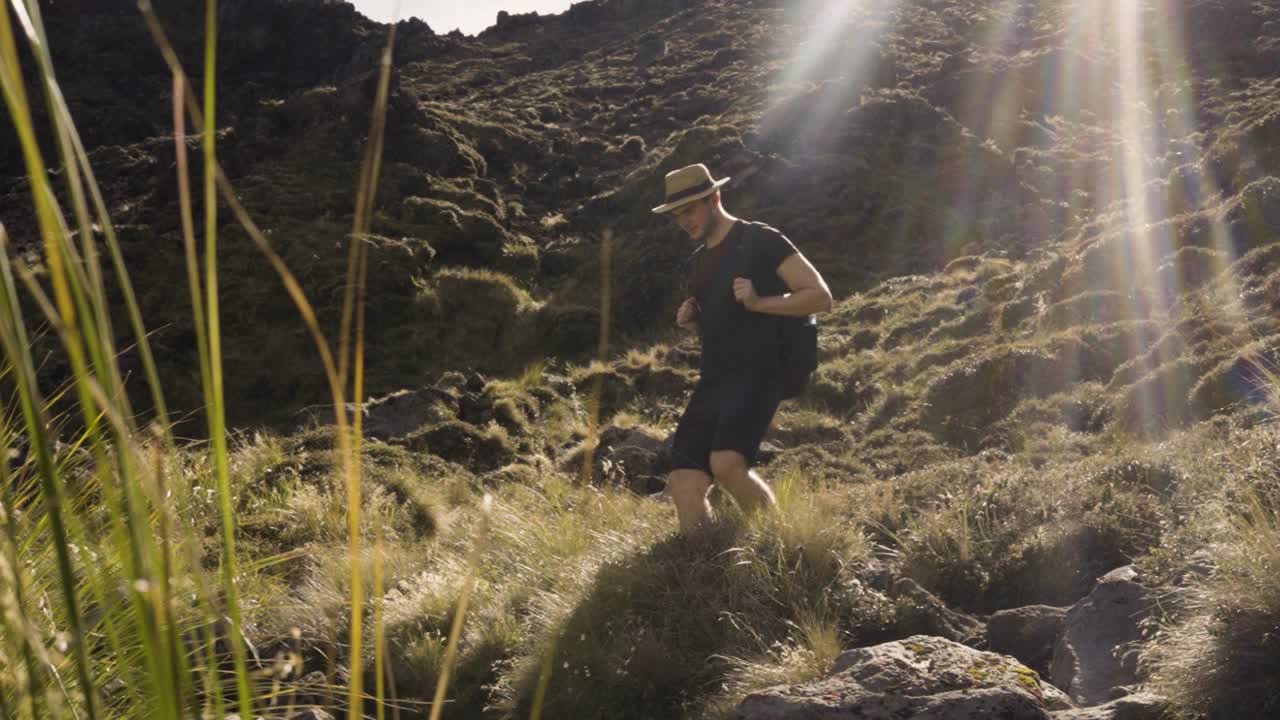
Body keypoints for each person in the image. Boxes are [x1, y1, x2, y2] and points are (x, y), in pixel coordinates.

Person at [652, 163, 833, 534]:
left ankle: (778, 546)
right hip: (714, 379)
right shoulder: (697, 262)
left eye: (690, 209)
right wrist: (693, 323)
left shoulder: (761, 240)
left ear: (714, 198)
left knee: (727, 465)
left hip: (761, 372)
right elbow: (722, 325)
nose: (684, 221)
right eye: (676, 214)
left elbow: (820, 297)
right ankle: (705, 570)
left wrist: (760, 302)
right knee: (684, 483)